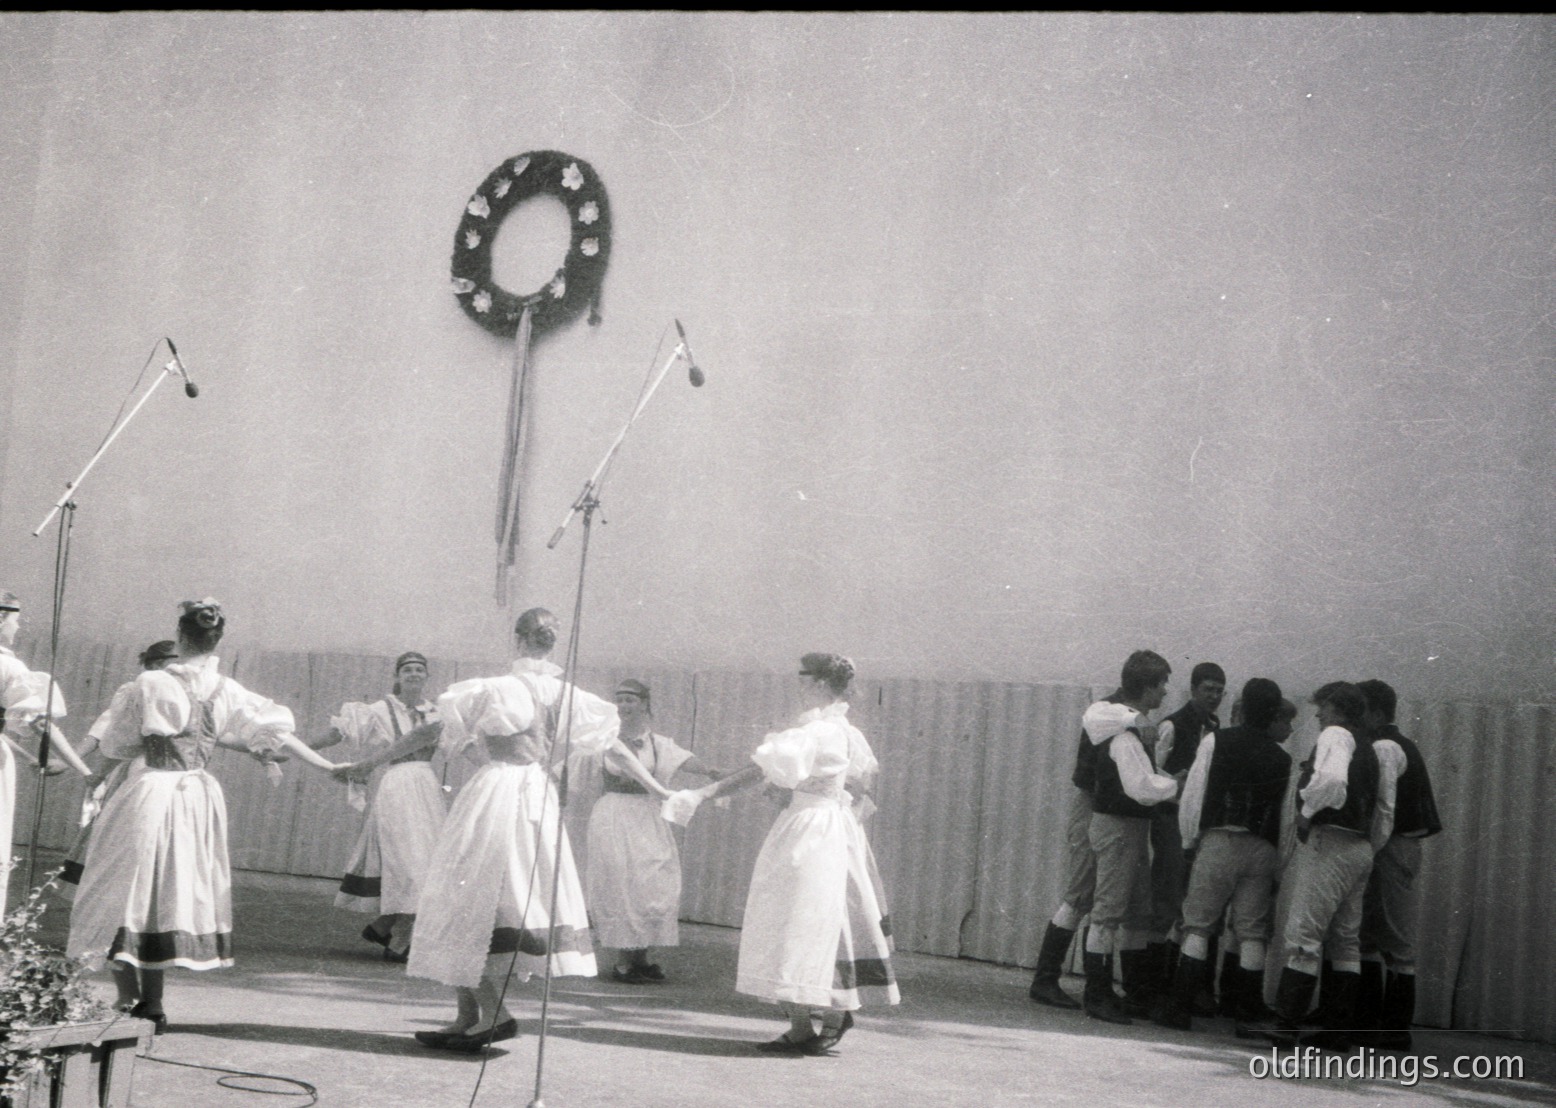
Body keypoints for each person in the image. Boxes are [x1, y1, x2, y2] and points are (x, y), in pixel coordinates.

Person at [65, 599, 343, 1031]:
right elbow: (275, 731)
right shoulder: (226, 689)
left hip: (149, 790)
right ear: (216, 642)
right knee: (162, 896)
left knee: (117, 886)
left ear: (179, 638)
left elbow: (117, 746)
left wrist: (89, 777)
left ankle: (128, 996)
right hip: (195, 797)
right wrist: (318, 765)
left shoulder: (150, 684)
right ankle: (151, 1004)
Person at [407, 607, 665, 1053]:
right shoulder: (568, 695)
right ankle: (468, 1016)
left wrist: (364, 764)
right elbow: (614, 748)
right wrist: (659, 787)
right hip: (536, 795)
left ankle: (492, 1012)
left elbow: (437, 730)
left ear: (518, 640)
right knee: (494, 899)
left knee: (464, 897)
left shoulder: (495, 688)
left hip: (497, 791)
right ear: (552, 643)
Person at [667, 652, 899, 1055]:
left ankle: (821, 1017)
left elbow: (761, 769)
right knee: (807, 920)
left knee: (799, 921)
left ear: (823, 684)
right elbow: (855, 786)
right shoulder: (842, 731)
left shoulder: (820, 731)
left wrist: (704, 792)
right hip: (828, 827)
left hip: (812, 833)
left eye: (804, 678)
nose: (799, 684)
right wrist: (808, 793)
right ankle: (815, 1020)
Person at [1156, 679, 1293, 1036]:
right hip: (1262, 847)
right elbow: (1286, 815)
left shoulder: (1216, 741)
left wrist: (1189, 839)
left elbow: (1196, 795)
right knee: (1251, 931)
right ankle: (1246, 1015)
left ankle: (1179, 1006)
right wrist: (1279, 858)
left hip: (1220, 839)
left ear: (1243, 707)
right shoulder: (1282, 757)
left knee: (1198, 923)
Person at [579, 678, 720, 984]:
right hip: (614, 816)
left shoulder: (659, 744)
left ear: (644, 704)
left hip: (649, 816)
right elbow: (575, 762)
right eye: (619, 700)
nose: (624, 706)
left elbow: (686, 760)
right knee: (621, 881)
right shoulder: (604, 740)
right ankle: (623, 961)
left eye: (630, 700)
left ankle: (642, 958)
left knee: (652, 881)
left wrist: (711, 771)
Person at [1266, 681, 1380, 1052]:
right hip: (1360, 846)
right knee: (1346, 939)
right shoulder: (1368, 746)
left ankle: (1286, 1025)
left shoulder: (1335, 734)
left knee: (1304, 935)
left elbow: (1331, 780)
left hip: (1329, 840)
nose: (1317, 714)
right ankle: (1338, 1030)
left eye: (1323, 707)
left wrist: (1305, 811)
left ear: (1337, 708)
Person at [319, 651, 445, 962]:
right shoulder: (379, 709)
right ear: (398, 676)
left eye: (419, 670)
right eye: (408, 670)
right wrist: (298, 747)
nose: (414, 675)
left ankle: (386, 925)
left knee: (428, 860)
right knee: (407, 860)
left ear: (426, 676)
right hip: (397, 786)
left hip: (426, 787)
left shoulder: (437, 712)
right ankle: (397, 938)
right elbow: (339, 733)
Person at [1081, 649, 1177, 1024]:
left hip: (1131, 826)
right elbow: (1141, 787)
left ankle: (1133, 992)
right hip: (1118, 824)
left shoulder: (1126, 727)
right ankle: (1098, 993)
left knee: (1136, 911)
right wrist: (1174, 786)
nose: (1165, 693)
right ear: (1146, 687)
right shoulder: (1123, 732)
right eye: (1161, 685)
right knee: (1107, 913)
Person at [1355, 678, 1441, 1052]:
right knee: (1370, 934)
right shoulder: (1393, 744)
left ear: (1374, 712)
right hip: (1395, 845)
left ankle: (1394, 1025)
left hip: (1392, 845)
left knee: (1394, 936)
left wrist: (1369, 848)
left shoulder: (1386, 747)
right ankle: (1371, 1019)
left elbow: (1384, 809)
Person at [57, 640, 180, 897]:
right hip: (132, 772)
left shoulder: (177, 693)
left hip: (167, 775)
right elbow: (101, 733)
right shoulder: (134, 691)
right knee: (117, 835)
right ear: (157, 665)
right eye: (174, 664)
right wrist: (69, 762)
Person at [0, 589, 93, 918]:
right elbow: (41, 723)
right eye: (16, 620)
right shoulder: (8, 667)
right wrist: (84, 771)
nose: (18, 628)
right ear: (0, 618)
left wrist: (29, 758)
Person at [1149, 662, 1225, 1005]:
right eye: (1208, 689)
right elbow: (1151, 770)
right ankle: (1152, 986)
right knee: (1167, 895)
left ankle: (1180, 983)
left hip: (1198, 823)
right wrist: (1172, 782)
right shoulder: (1171, 725)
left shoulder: (1216, 727)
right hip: (1170, 820)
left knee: (1193, 901)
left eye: (1219, 690)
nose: (1214, 696)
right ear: (1193, 689)